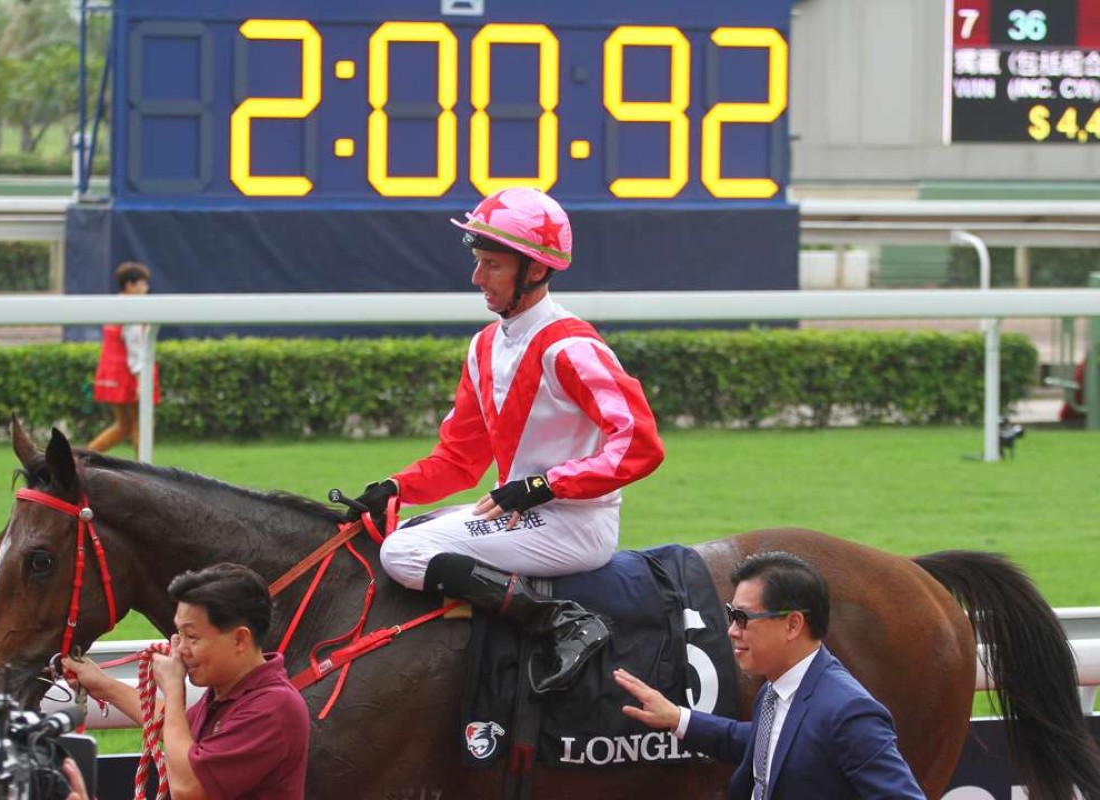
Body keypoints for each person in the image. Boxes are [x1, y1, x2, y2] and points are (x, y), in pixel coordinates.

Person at [352, 186, 665, 693]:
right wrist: (395, 487)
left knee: (403, 555)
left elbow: (640, 445)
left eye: (493, 265)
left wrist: (546, 484)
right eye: (478, 262)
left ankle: (560, 620)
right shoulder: (483, 346)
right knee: (393, 534)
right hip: (519, 515)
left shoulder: (572, 346)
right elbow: (459, 457)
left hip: (576, 524)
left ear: (536, 270)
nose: (478, 278)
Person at [614, 551, 924, 800]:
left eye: (743, 618)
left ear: (792, 625)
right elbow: (770, 743)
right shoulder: (775, 690)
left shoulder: (850, 713)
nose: (732, 631)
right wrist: (678, 718)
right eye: (731, 615)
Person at [65, 563, 309, 799]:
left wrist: (173, 690)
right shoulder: (228, 693)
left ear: (240, 640)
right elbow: (177, 730)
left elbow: (189, 789)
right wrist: (103, 685)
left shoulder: (273, 708)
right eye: (178, 634)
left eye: (192, 637)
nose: (180, 649)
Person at [88, 261, 160, 453]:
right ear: (130, 285)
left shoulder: (113, 305)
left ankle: (80, 459)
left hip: (111, 372)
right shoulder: (132, 310)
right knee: (140, 424)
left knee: (123, 425)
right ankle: (145, 471)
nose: (146, 288)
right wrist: (141, 381)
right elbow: (135, 350)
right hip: (127, 374)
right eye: (142, 284)